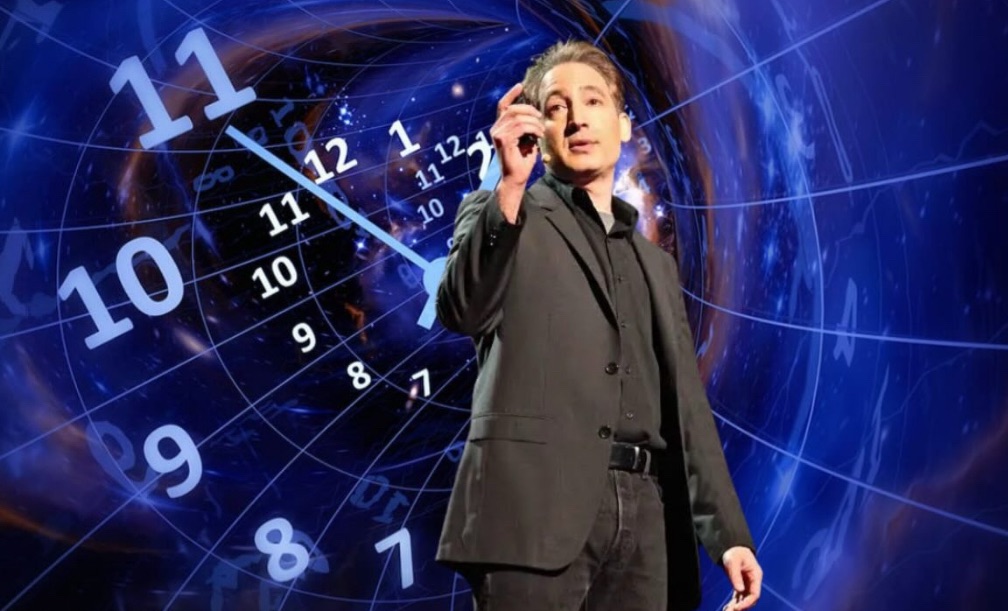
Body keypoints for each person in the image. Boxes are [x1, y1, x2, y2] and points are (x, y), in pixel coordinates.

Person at [434, 40, 762, 611]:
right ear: (538, 130)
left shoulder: (656, 264)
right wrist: (508, 185)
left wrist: (729, 535)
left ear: (624, 124)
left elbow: (687, 409)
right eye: (556, 107)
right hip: (532, 517)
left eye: (593, 101)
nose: (577, 119)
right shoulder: (503, 213)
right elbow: (462, 308)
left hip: (649, 531)